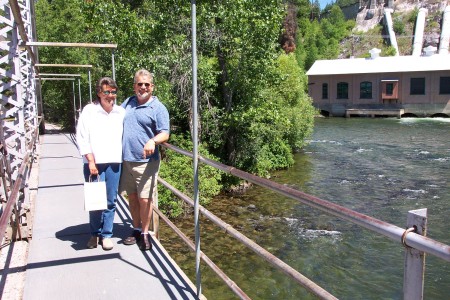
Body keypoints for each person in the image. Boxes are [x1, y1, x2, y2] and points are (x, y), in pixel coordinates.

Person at [120, 69, 170, 251]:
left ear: (152, 87)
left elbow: (165, 132)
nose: (143, 87)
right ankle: (136, 228)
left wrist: (153, 140)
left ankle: (145, 233)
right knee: (132, 198)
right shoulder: (129, 103)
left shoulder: (158, 108)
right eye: (139, 84)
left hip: (146, 162)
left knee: (145, 199)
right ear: (134, 86)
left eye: (146, 84)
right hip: (127, 161)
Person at [76, 77, 125, 251]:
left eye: (113, 92)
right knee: (96, 201)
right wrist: (90, 160)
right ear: (99, 93)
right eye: (107, 92)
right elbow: (82, 136)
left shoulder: (120, 112)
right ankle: (94, 234)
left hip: (114, 161)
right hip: (94, 162)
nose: (110, 95)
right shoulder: (90, 111)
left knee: (110, 200)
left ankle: (107, 235)